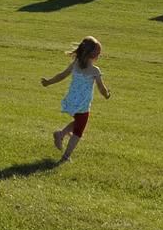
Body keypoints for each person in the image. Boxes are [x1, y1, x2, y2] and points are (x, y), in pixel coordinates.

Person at [40, 36, 111, 164]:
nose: (99, 55)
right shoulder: (95, 70)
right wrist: (106, 95)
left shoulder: (75, 64)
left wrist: (48, 82)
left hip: (72, 101)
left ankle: (61, 134)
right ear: (92, 54)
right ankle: (65, 156)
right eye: (98, 53)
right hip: (82, 104)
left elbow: (62, 75)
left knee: (78, 122)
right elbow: (101, 88)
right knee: (78, 131)